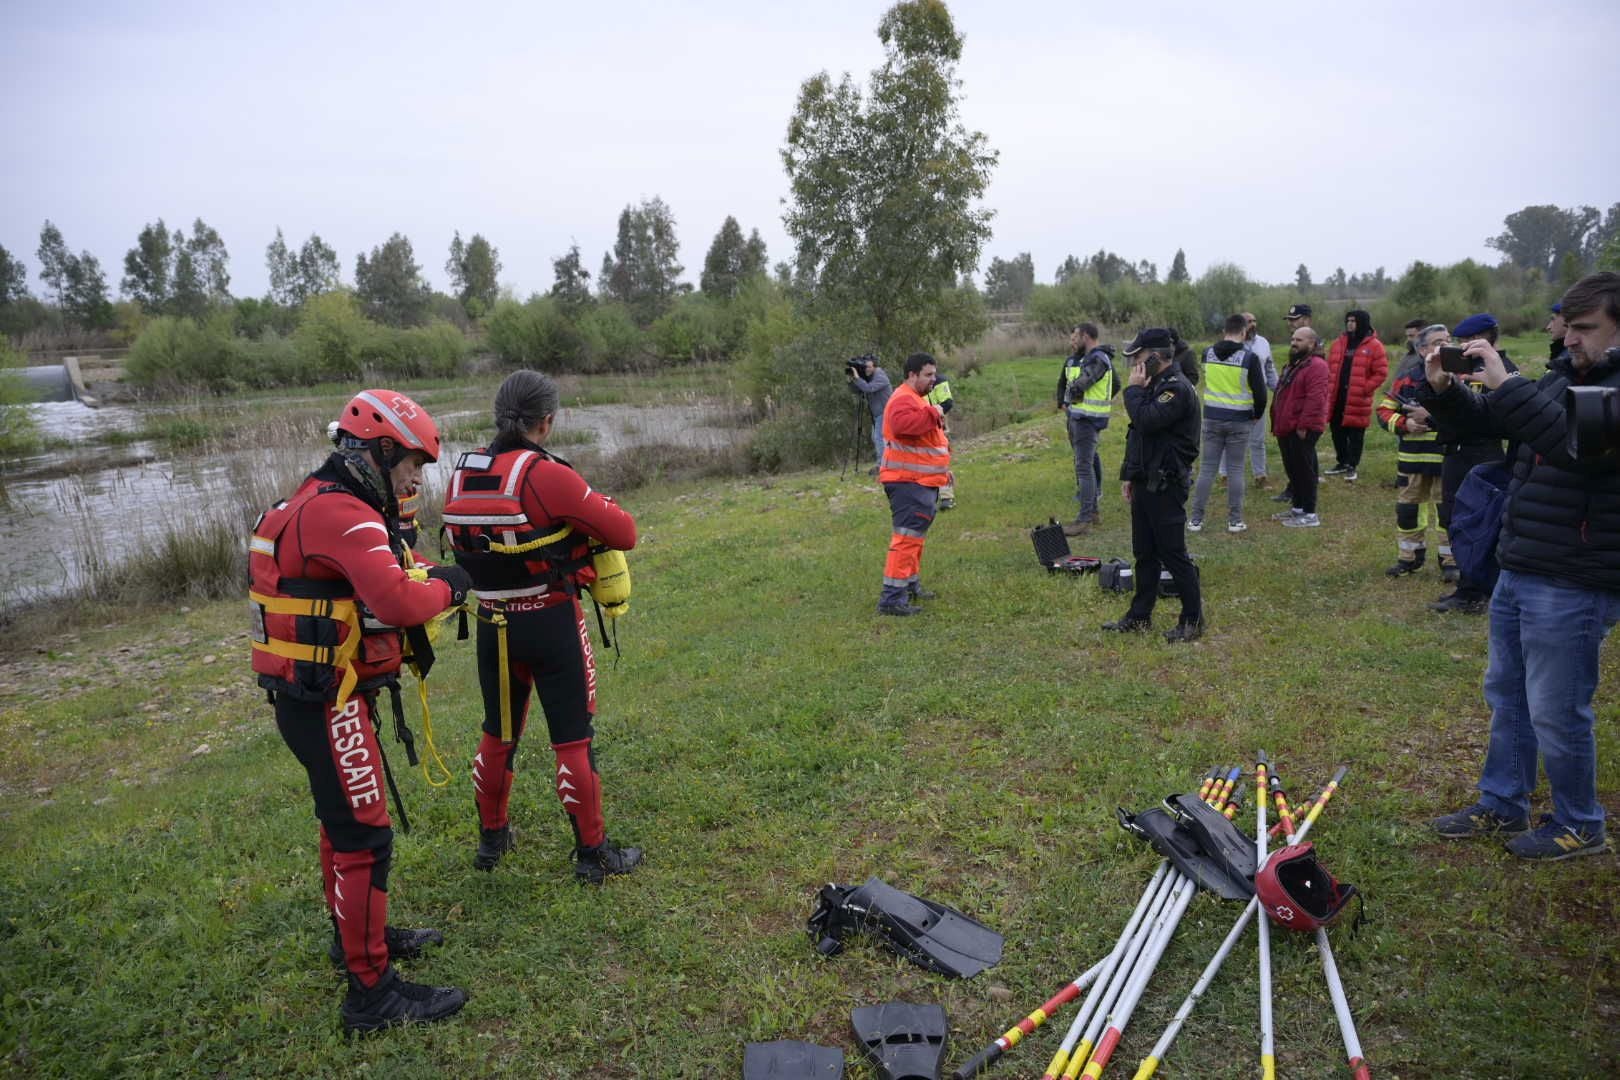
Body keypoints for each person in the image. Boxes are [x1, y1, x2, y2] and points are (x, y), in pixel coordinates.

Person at [250, 389, 473, 1032]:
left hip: (317, 696)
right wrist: (456, 584)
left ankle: (354, 942)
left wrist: (437, 572)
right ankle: (371, 994)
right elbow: (400, 601)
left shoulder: (323, 500)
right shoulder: (345, 514)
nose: (416, 477)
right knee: (363, 834)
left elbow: (402, 567)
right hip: (328, 704)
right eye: (411, 464)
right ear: (378, 451)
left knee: (342, 825)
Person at [1424, 272, 1620, 860]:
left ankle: (1580, 822)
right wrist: (1447, 390)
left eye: (1585, 329)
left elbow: (1575, 448)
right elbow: (1496, 423)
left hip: (1576, 574)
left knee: (1557, 709)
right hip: (1525, 561)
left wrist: (1508, 382)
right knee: (1508, 691)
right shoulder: (1567, 375)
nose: (1571, 338)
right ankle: (1503, 800)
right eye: (1571, 327)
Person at [440, 370, 643, 884]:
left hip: (493, 624)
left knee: (498, 734)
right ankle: (593, 855)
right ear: (546, 422)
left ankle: (491, 841)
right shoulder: (547, 474)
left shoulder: (462, 473)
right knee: (573, 741)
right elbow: (624, 531)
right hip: (551, 620)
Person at [1102, 328, 1203, 642]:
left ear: (1156, 357)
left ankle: (1193, 620)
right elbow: (1141, 437)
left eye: (1138, 356)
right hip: (1147, 481)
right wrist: (1131, 475)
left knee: (1173, 554)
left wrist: (1132, 392)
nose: (1133, 363)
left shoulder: (1176, 388)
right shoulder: (1155, 384)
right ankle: (1139, 616)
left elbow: (1146, 420)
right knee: (1144, 553)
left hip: (1167, 484)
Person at [1428, 314, 1517, 614]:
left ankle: (1477, 591)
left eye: (1470, 339)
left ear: (1488, 338)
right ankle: (1467, 587)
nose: (1464, 345)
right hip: (1453, 453)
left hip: (1483, 453)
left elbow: (1496, 418)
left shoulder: (1502, 371)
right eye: (1461, 340)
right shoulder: (1459, 368)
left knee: (1481, 520)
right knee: (1453, 517)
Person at [876, 353, 951, 615]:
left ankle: (909, 585)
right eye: (928, 375)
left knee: (914, 539)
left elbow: (924, 444)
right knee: (906, 539)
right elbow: (904, 425)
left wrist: (943, 471)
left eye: (934, 374)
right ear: (911, 375)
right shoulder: (903, 399)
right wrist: (935, 412)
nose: (934, 380)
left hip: (920, 481)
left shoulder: (914, 398)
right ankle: (891, 600)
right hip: (907, 482)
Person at [1376, 323, 1446, 575]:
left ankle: (1450, 561)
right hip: (1412, 460)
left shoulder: (1459, 377)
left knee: (1448, 513)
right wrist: (1406, 423)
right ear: (1422, 348)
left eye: (1448, 340)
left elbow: (1471, 414)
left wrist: (1433, 416)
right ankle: (1409, 558)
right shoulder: (1406, 379)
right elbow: (1383, 412)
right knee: (1408, 511)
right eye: (1438, 342)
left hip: (1446, 459)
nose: (1445, 346)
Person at [1189, 314, 1267, 533]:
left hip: (1212, 417)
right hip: (1240, 420)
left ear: (1224, 331)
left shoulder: (1207, 353)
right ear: (1243, 332)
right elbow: (1261, 394)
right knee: (1235, 470)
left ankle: (1195, 519)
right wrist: (1257, 414)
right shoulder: (1248, 358)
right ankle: (1234, 521)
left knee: (1206, 470)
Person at [1059, 323, 1118, 536]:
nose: (1074, 339)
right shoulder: (1097, 357)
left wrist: (1070, 395)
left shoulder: (1097, 358)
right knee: (1089, 465)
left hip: (1086, 419)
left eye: (1076, 335)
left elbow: (1083, 383)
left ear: (1086, 336)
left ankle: (1083, 520)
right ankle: (1092, 513)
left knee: (1083, 467)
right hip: (1084, 417)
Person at [1271, 326, 1331, 527]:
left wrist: (1303, 425)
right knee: (1293, 469)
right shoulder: (1296, 364)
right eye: (1293, 339)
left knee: (1305, 471)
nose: (1294, 343)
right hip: (1288, 426)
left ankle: (1309, 514)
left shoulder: (1317, 366)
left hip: (1303, 427)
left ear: (1312, 343)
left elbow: (1316, 399)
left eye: (1299, 340)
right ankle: (1297, 509)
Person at [1322, 310, 1389, 482]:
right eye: (1348, 320)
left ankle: (1352, 465)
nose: (1350, 324)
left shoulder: (1374, 345)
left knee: (1356, 434)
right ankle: (1342, 462)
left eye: (1354, 321)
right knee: (1337, 431)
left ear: (1363, 322)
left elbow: (1381, 372)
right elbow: (1329, 368)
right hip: (1337, 397)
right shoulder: (1338, 343)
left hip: (1358, 397)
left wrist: (1365, 388)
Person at [1229, 312, 1276, 488]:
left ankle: (1260, 475)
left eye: (1255, 321)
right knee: (1232, 439)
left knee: (1257, 440)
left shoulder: (1263, 343)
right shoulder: (1231, 344)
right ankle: (1227, 476)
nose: (1252, 324)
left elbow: (1269, 368)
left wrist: (1278, 390)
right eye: (1248, 322)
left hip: (1258, 397)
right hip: (1236, 397)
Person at [848, 354, 893, 474]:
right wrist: (853, 379)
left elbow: (869, 388)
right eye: (865, 367)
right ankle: (887, 463)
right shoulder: (869, 376)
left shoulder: (880, 375)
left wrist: (858, 378)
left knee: (879, 438)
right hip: (879, 414)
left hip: (886, 411)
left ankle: (883, 466)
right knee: (876, 437)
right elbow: (857, 390)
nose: (866, 369)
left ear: (874, 366)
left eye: (868, 366)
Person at [926, 372, 957, 509]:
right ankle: (931, 493)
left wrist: (936, 413)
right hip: (922, 425)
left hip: (938, 423)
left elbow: (948, 402)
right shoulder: (914, 384)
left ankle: (947, 497)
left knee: (941, 459)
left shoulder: (939, 380)